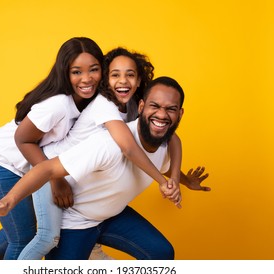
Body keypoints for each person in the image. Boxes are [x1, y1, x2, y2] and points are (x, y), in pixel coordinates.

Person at [0, 76, 210, 259]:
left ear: (180, 114)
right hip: (74, 220)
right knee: (22, 238)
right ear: (142, 107)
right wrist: (8, 201)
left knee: (161, 253)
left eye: (171, 109)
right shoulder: (108, 144)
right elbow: (47, 170)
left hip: (112, 215)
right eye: (155, 106)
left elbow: (167, 159)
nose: (162, 115)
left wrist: (185, 181)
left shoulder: (166, 142)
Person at [15, 47, 182, 260]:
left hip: (96, 199)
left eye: (130, 74)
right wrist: (162, 181)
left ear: (139, 80)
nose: (123, 80)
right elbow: (129, 148)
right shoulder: (105, 107)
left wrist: (177, 178)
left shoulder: (133, 106)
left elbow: (173, 138)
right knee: (40, 236)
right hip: (51, 169)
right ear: (105, 79)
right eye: (115, 75)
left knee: (161, 251)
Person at [0, 37, 104, 260]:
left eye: (93, 70)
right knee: (22, 238)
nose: (86, 79)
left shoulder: (89, 102)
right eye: (76, 72)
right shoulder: (58, 104)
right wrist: (56, 179)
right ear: (65, 73)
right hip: (2, 163)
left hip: (27, 163)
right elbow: (22, 139)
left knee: (15, 229)